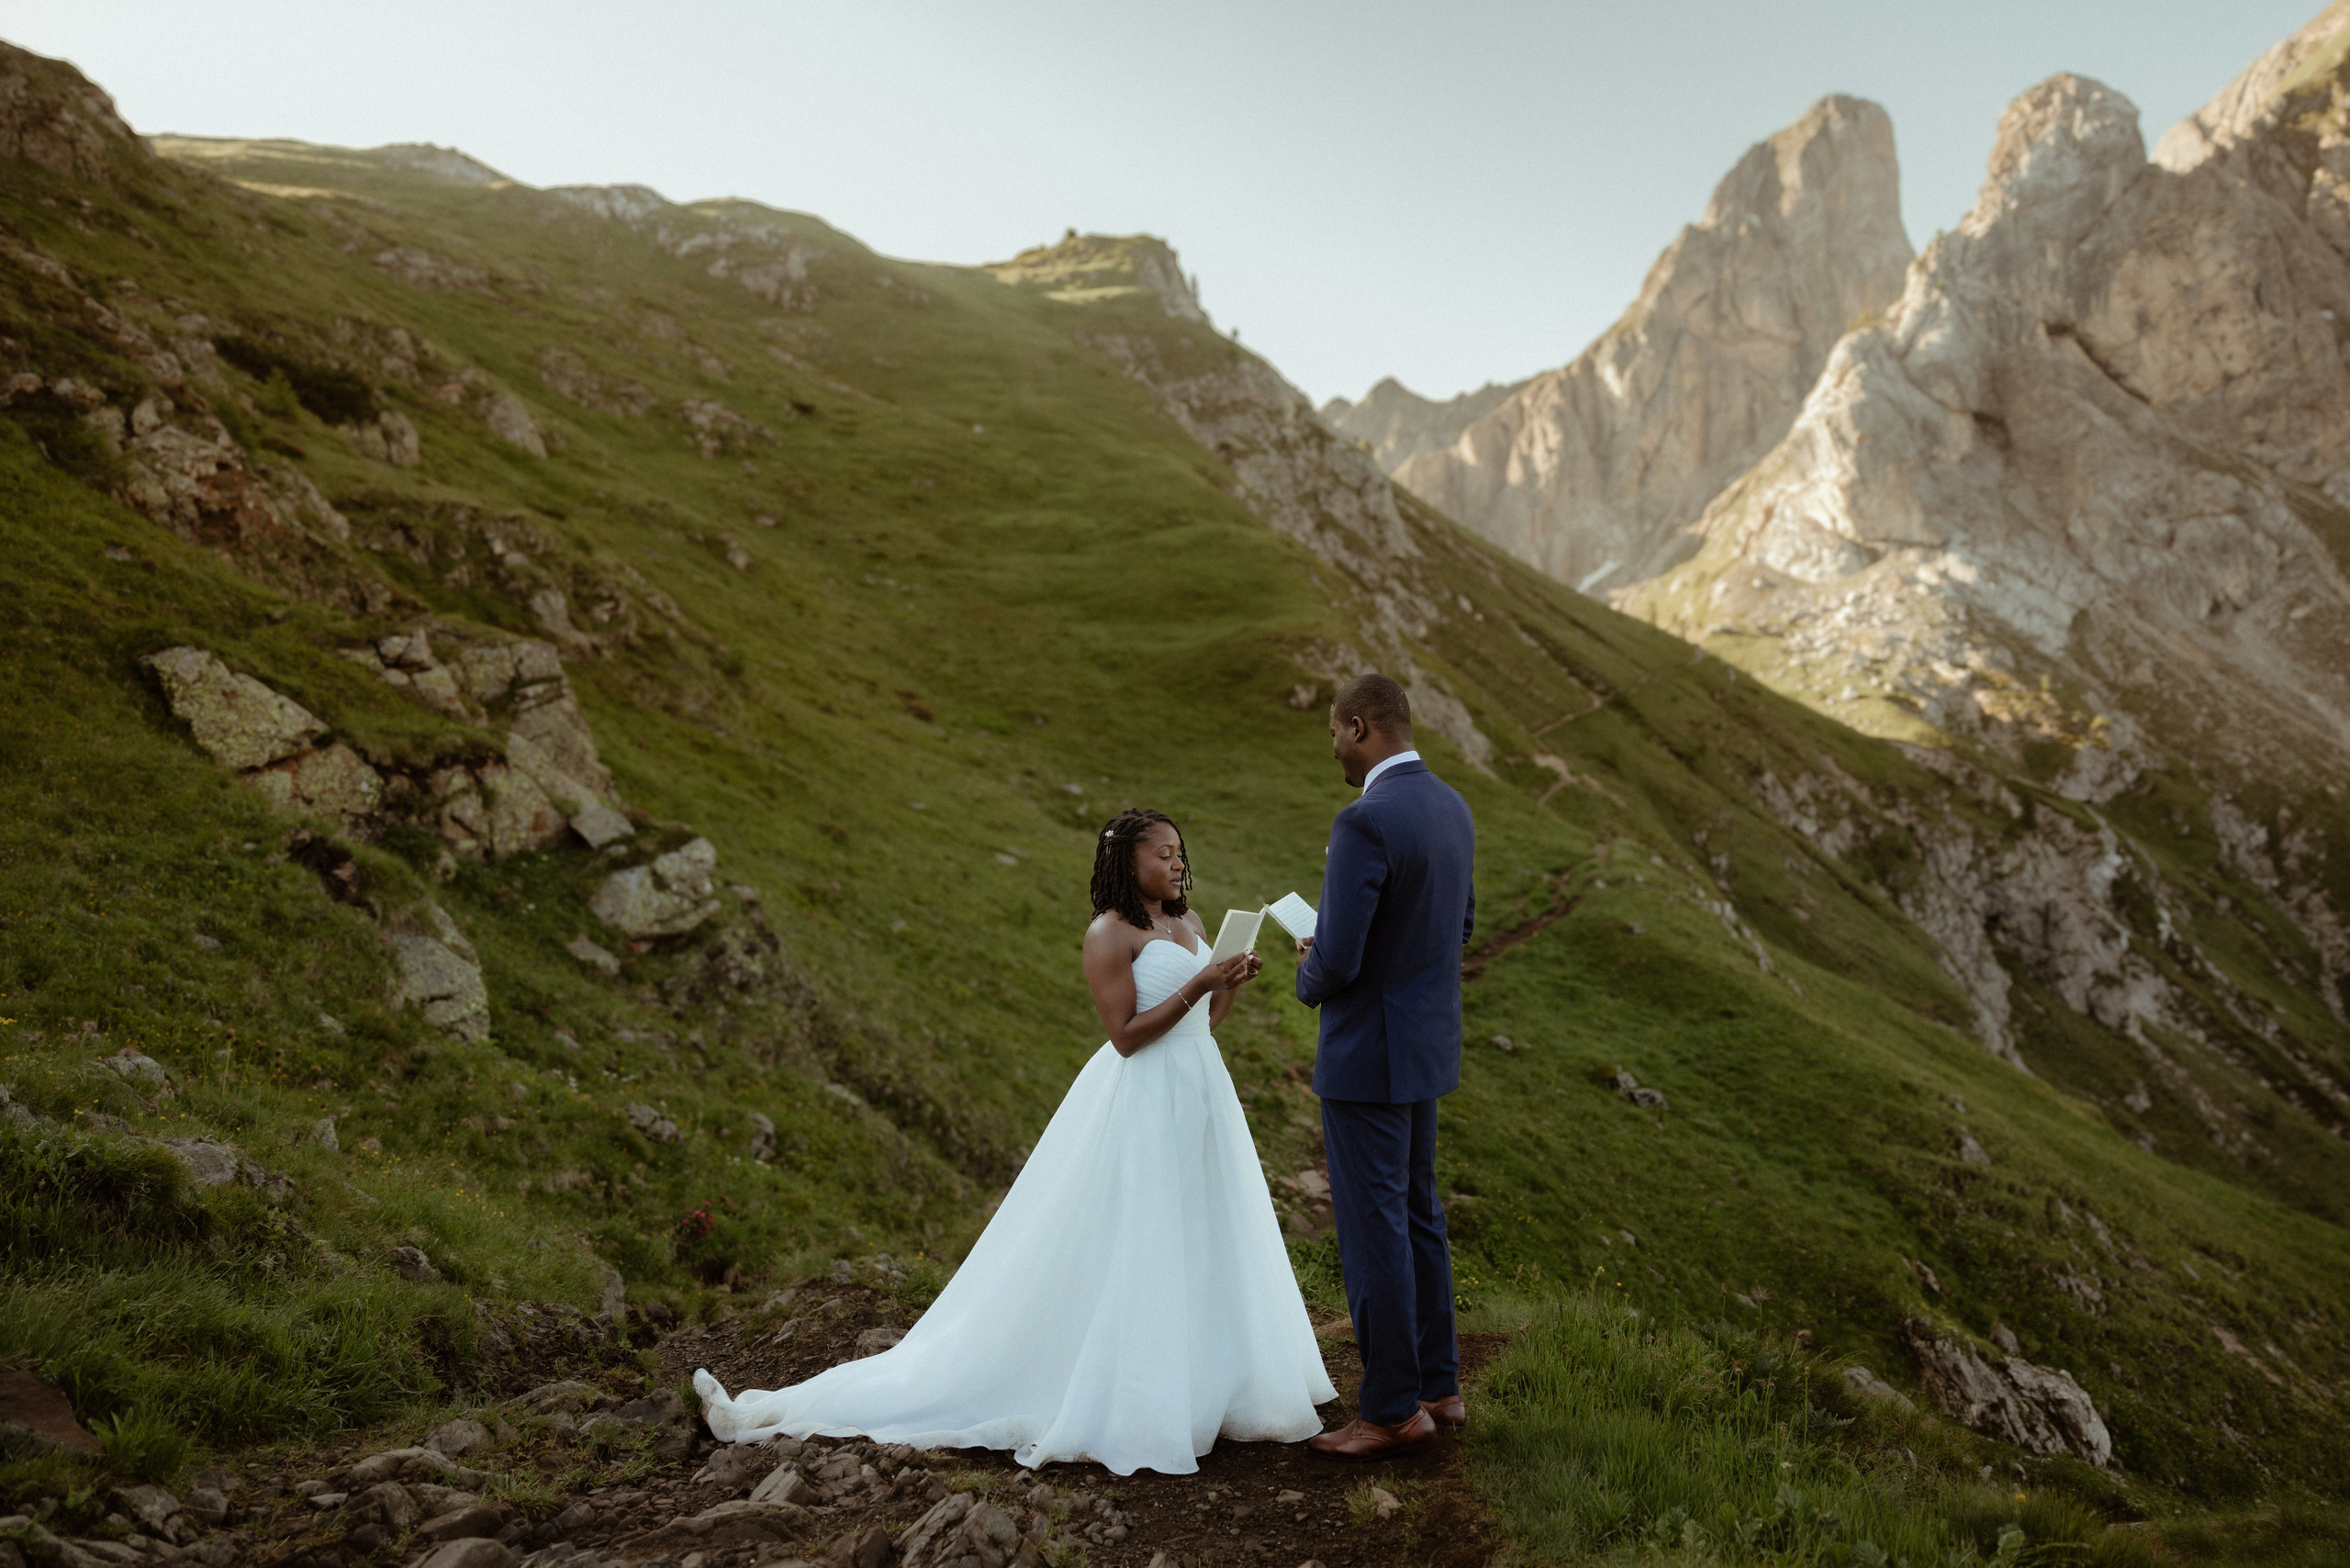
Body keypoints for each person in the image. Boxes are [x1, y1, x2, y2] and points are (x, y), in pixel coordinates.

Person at [694, 809, 1337, 1475]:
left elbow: (1203, 1023)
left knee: (1204, 1230)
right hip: (1143, 1096)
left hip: (1201, 1090)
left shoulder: (1194, 924)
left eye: (1180, 853)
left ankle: (1207, 1382)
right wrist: (1201, 982)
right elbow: (1124, 1036)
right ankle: (1126, 1391)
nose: (1177, 865)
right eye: (1163, 855)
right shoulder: (1109, 934)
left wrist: (1224, 986)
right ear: (1128, 864)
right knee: (1140, 1235)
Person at [1294, 673, 1476, 1460]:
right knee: (1419, 1219)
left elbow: (1337, 960)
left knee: (1373, 1232)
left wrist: (1311, 966)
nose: (1332, 745)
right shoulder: (1452, 806)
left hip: (1369, 1053)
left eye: (1335, 731)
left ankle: (1391, 1408)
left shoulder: (1365, 819)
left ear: (1361, 726)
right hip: (1427, 1045)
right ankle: (1441, 1386)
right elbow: (1459, 923)